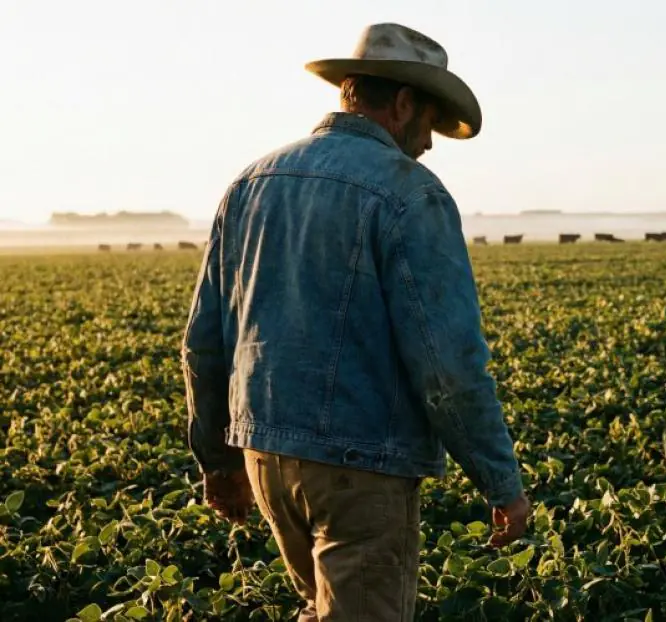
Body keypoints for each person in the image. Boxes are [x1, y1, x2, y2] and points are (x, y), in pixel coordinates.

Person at [180, 22, 531, 621]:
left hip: (265, 456)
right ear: (402, 103)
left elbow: (202, 344)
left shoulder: (250, 183)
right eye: (429, 123)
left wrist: (217, 460)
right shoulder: (409, 192)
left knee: (318, 610)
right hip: (359, 468)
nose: (429, 143)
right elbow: (448, 367)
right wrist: (502, 482)